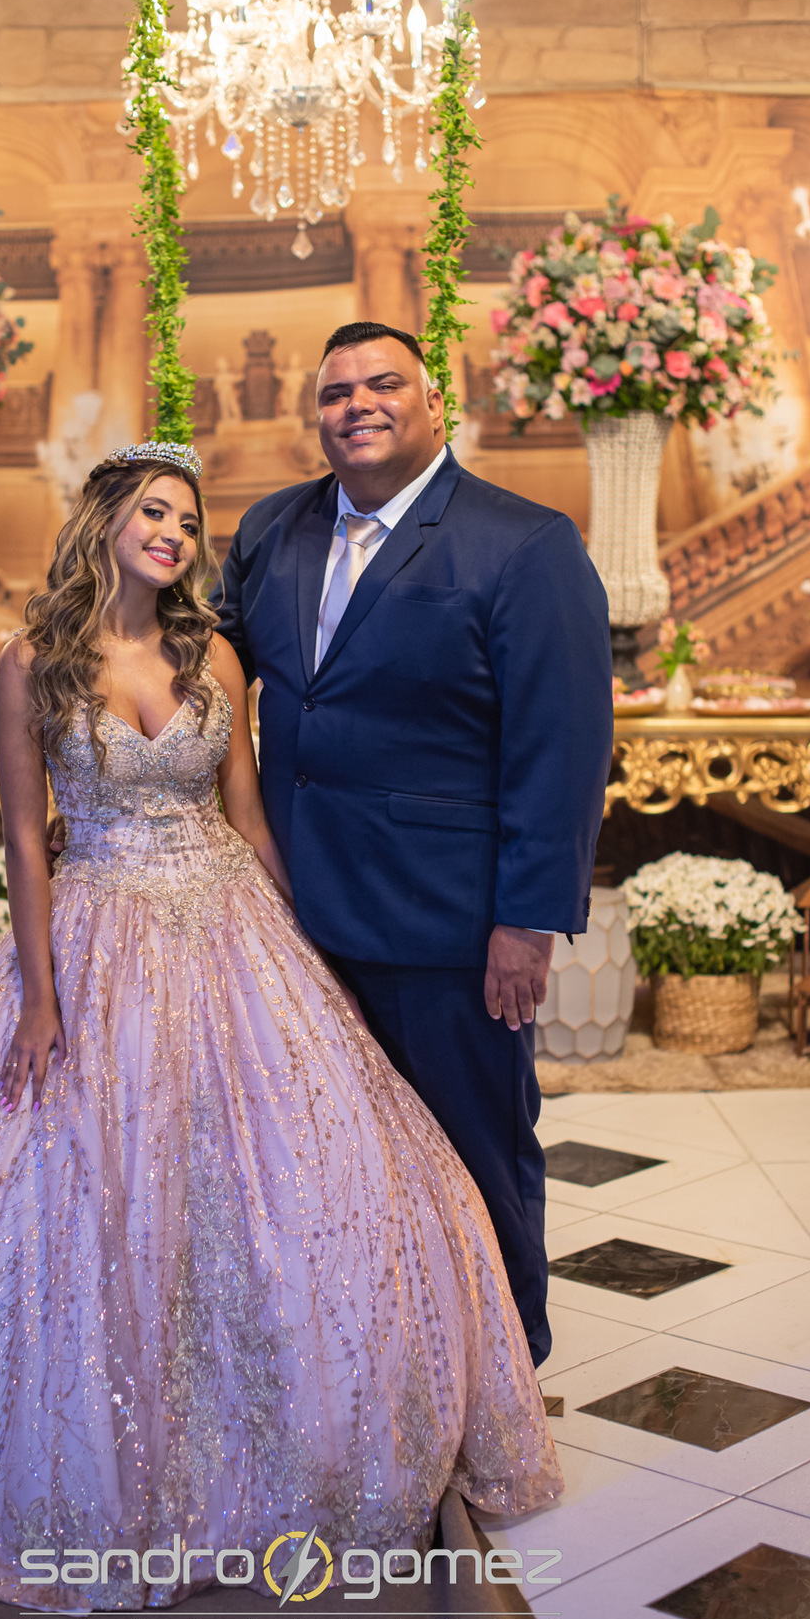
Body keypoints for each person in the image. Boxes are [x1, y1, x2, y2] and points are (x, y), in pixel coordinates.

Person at [0, 442, 561, 1614]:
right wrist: (39, 997)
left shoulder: (211, 653)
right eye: (154, 513)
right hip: (99, 924)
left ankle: (313, 1438)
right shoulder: (35, 662)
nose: (173, 534)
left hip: (229, 922)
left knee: (310, 1177)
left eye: (186, 521)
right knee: (86, 1188)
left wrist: (308, 950)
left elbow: (251, 817)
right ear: (105, 523)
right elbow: (27, 843)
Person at [213, 322, 614, 1368]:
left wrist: (527, 922)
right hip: (292, 912)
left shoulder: (524, 543)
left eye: (382, 383)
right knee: (334, 1163)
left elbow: (562, 747)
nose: (357, 404)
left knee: (475, 1156)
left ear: (436, 402)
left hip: (445, 923)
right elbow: (205, 658)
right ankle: (380, 1379)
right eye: (335, 391)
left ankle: (506, 1375)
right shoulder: (271, 528)